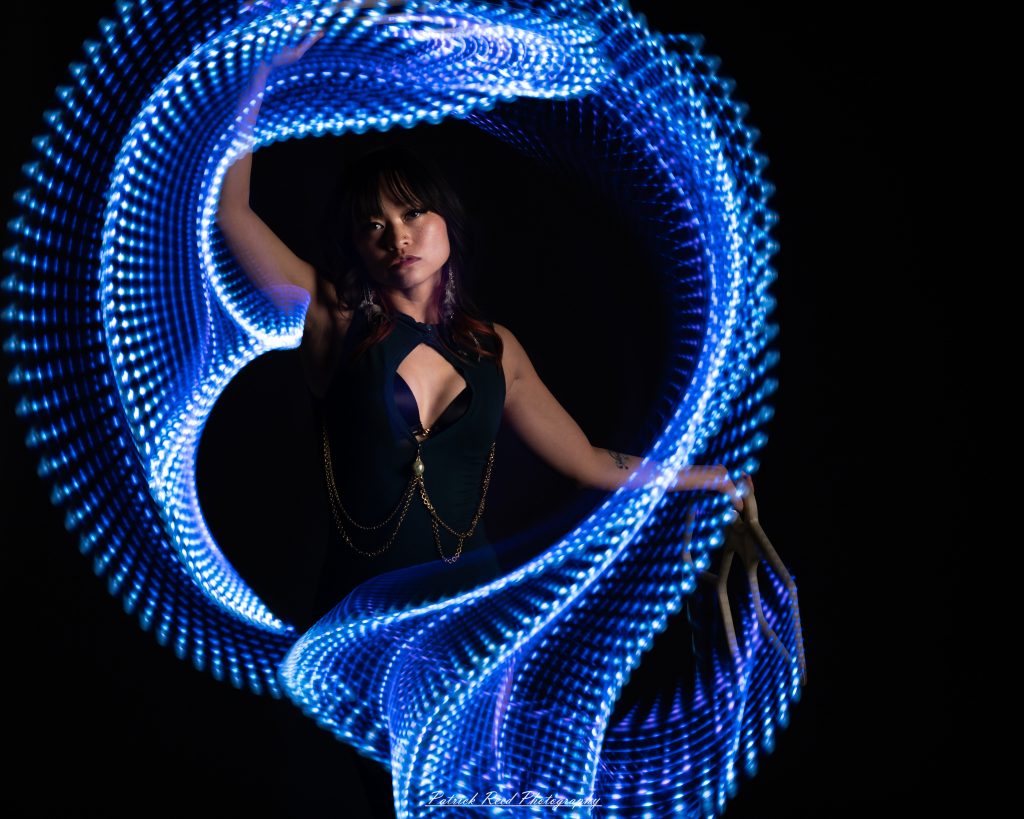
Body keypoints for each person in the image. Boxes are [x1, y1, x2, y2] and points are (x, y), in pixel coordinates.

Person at [215, 16, 751, 818]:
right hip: (361, 615)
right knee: (405, 799)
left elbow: (590, 461)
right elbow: (235, 219)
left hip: (468, 610)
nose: (397, 237)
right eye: (374, 226)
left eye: (412, 215)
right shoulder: (334, 321)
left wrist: (705, 478)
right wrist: (258, 73)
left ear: (444, 223)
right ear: (357, 246)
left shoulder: (496, 349)